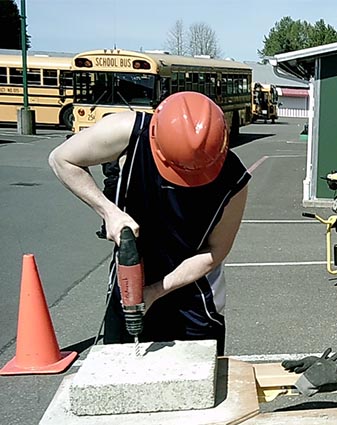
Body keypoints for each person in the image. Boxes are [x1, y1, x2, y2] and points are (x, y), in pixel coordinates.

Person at [49, 91, 250, 355]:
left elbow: (214, 253)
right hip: (131, 280)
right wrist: (109, 212)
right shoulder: (127, 132)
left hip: (195, 294)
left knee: (197, 378)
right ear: (155, 138)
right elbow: (61, 159)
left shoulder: (234, 179)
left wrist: (155, 291)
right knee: (119, 369)